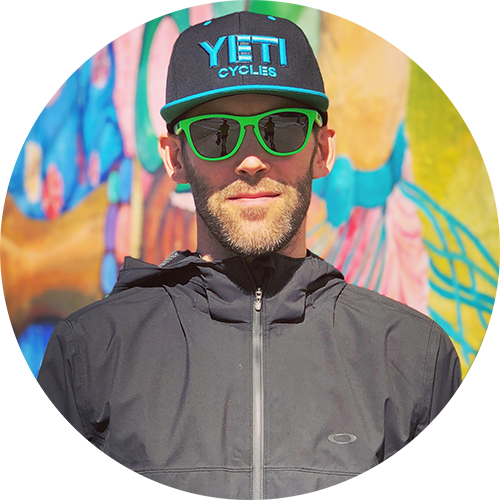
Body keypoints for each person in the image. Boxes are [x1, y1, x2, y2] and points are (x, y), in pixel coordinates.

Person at [38, 11, 461, 499]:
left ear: (322, 151)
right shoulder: (90, 356)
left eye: (281, 128)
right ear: (175, 158)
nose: (252, 159)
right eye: (215, 133)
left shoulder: (413, 358)